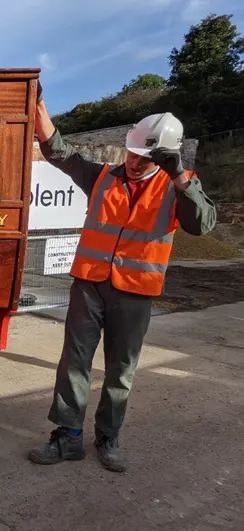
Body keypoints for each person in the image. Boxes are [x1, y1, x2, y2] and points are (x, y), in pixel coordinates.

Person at [27, 85, 217, 472]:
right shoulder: (102, 177)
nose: (133, 161)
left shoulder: (176, 189)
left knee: (120, 370)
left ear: (165, 158)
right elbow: (61, 154)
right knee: (74, 363)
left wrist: (180, 176)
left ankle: (108, 437)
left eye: (145, 158)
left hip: (134, 294)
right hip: (89, 285)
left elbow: (203, 224)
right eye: (132, 152)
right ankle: (67, 437)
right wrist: (39, 113)